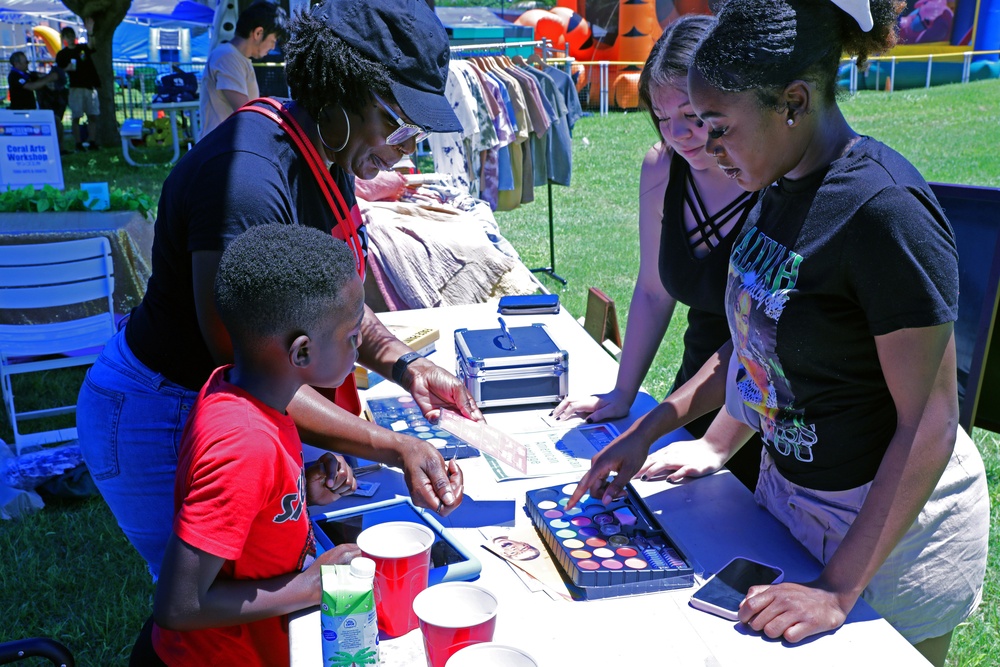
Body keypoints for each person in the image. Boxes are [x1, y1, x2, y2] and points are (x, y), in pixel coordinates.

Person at [569, 2, 989, 665]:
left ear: (794, 100)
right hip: (793, 501)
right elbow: (751, 343)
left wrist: (837, 587)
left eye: (721, 127)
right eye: (698, 124)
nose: (706, 148)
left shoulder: (884, 213)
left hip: (891, 531)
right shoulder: (775, 183)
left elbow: (931, 421)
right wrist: (648, 428)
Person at [77, 0, 478, 583]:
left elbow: (331, 305)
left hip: (233, 409)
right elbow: (251, 366)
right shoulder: (247, 182)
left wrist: (407, 365)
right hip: (161, 411)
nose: (406, 147)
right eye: (399, 123)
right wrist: (391, 445)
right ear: (342, 91)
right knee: (206, 612)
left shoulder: (329, 151)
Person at [125, 225, 364, 666]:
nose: (359, 344)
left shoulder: (241, 387)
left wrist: (296, 493)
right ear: (302, 352)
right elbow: (179, 605)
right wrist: (310, 586)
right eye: (352, 336)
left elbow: (243, 503)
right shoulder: (245, 444)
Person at [550, 15, 763, 490]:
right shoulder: (662, 168)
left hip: (766, 410)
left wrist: (690, 434)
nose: (677, 135)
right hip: (693, 394)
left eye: (691, 116)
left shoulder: (771, 177)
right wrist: (623, 393)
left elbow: (763, 338)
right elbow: (653, 289)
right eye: (663, 119)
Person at [199, 0, 288, 139]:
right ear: (258, 33)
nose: (272, 47)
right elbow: (245, 111)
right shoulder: (227, 56)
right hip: (218, 150)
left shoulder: (237, 57)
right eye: (273, 40)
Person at [55, 17, 100, 152]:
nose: (70, 38)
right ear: (63, 38)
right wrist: (67, 68)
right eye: (67, 36)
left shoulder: (82, 48)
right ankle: (78, 143)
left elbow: (92, 46)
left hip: (89, 86)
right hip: (75, 88)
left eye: (71, 35)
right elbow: (59, 70)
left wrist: (90, 31)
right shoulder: (62, 54)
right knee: (76, 116)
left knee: (92, 115)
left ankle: (92, 141)